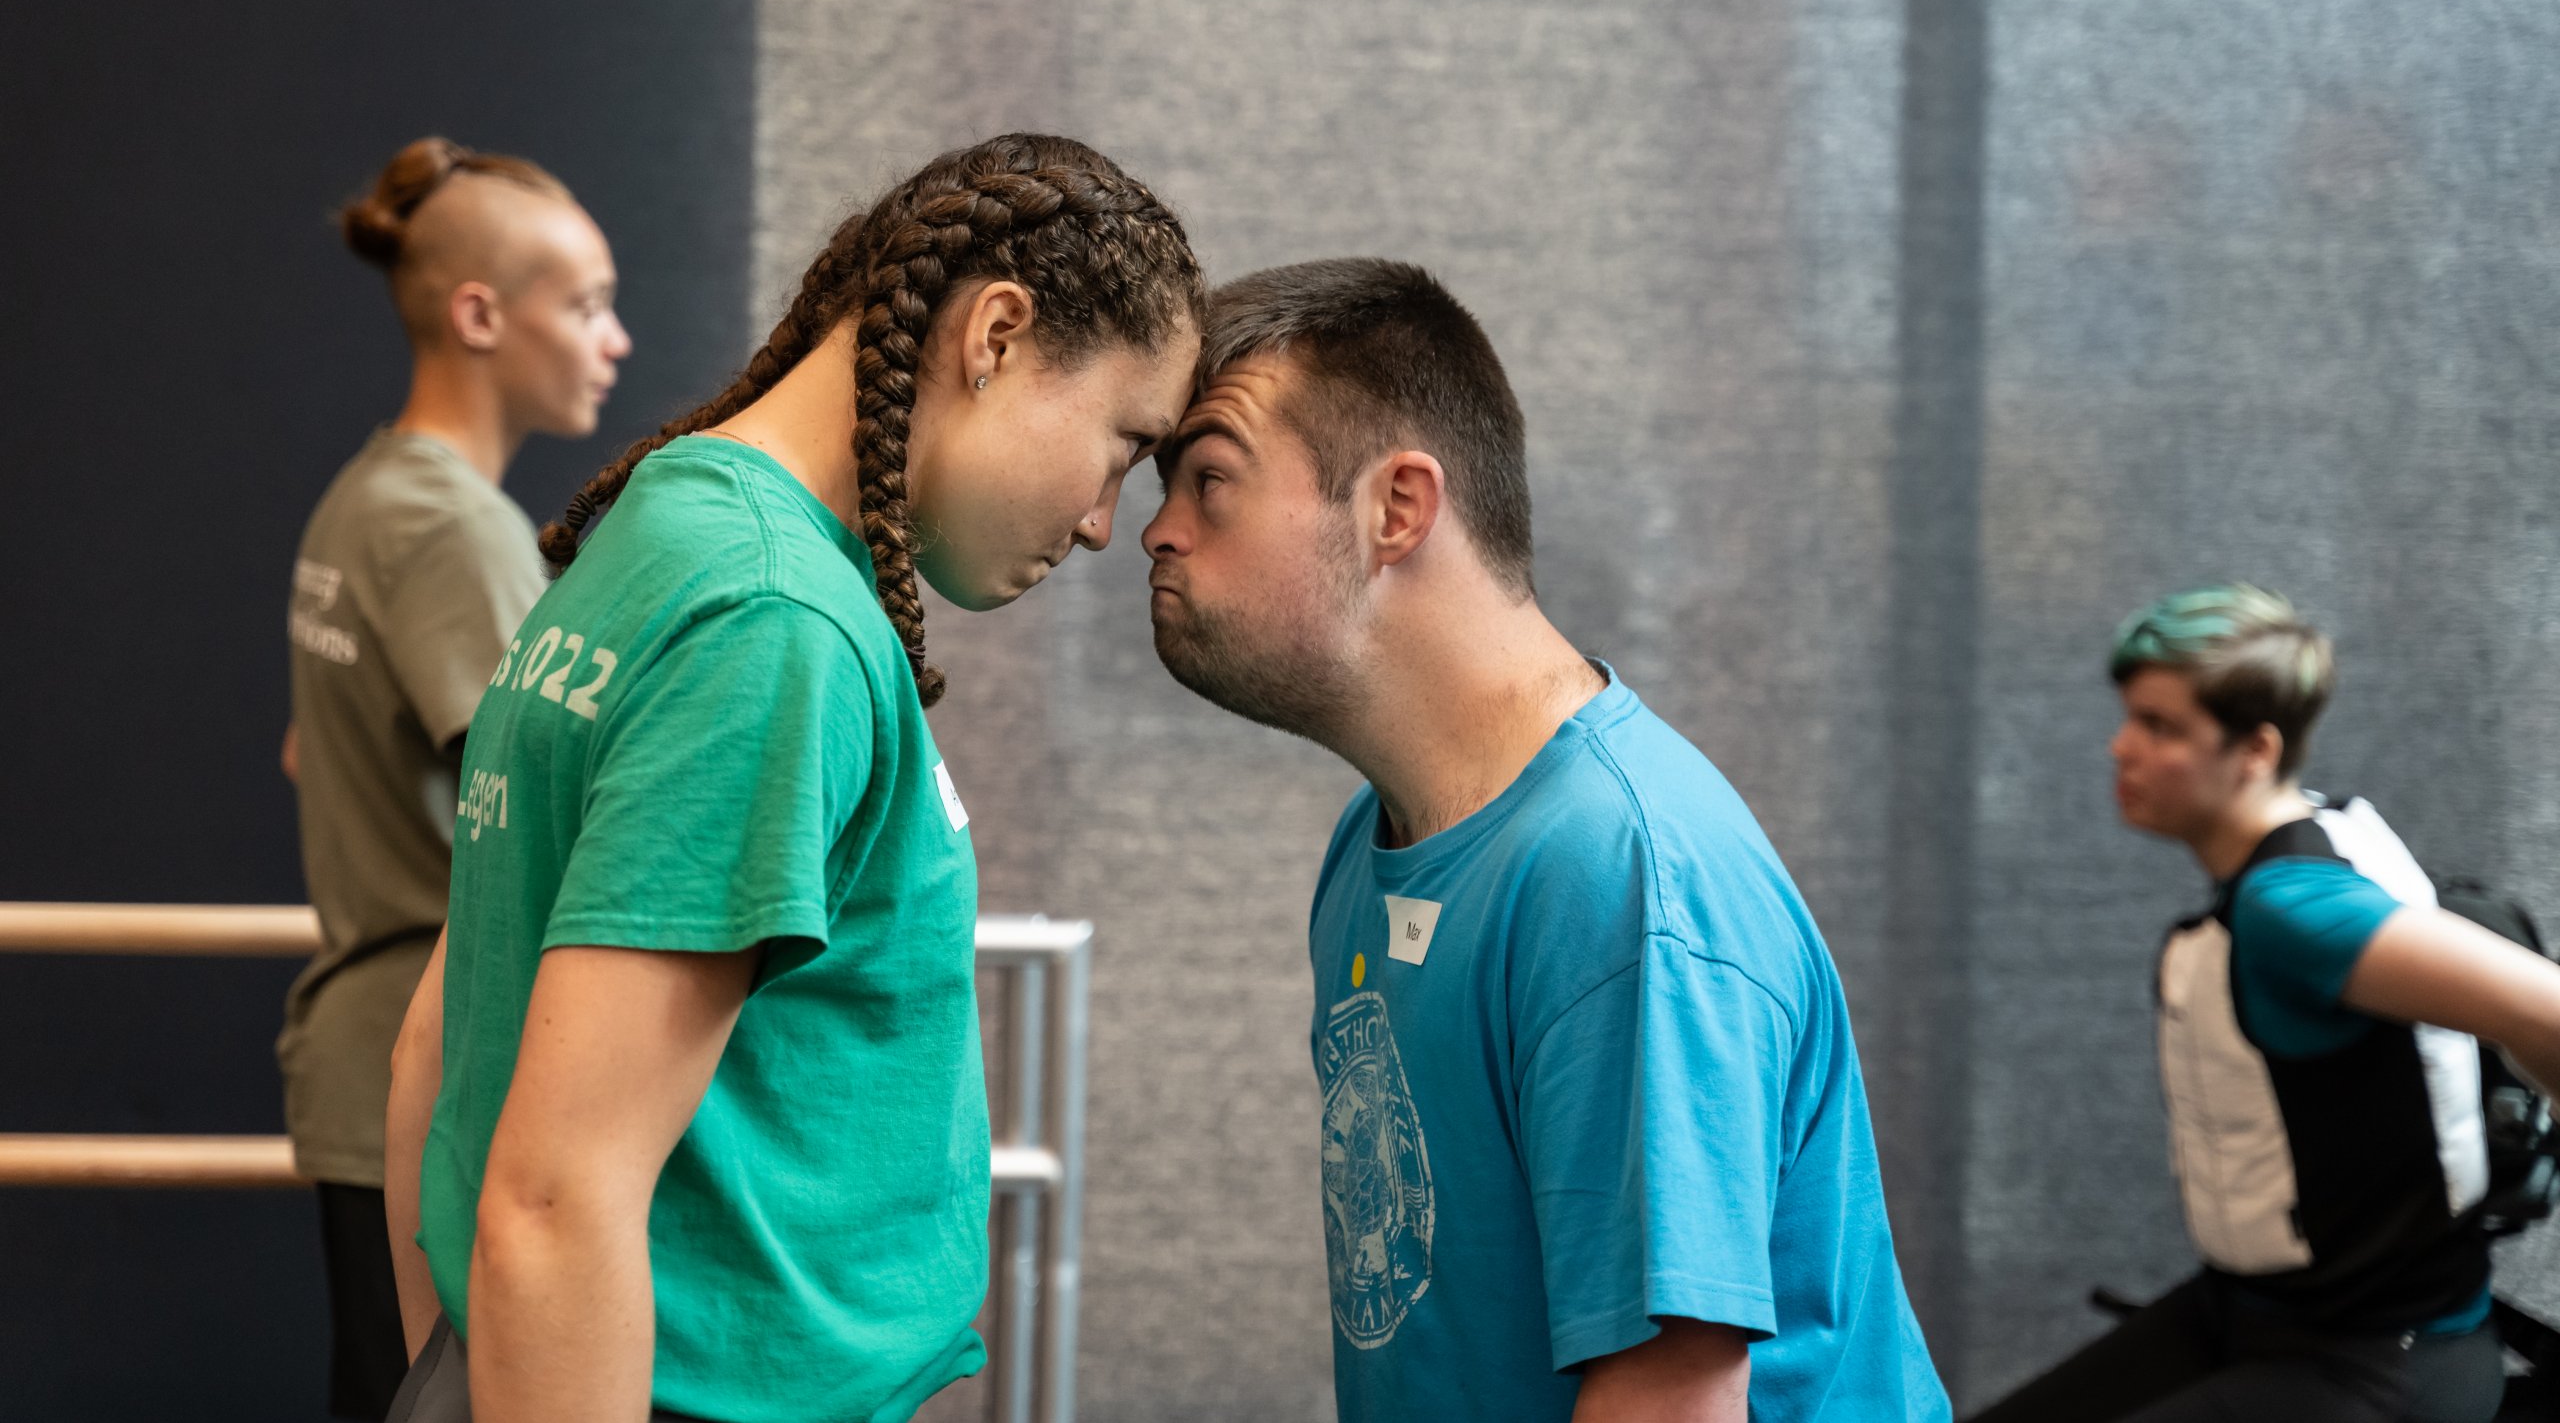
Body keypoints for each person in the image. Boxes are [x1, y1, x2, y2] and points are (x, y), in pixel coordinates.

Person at [381, 134, 1203, 1423]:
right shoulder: (774, 621)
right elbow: (552, 1199)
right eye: (1119, 442)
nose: (1106, 519)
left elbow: (440, 1038)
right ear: (995, 334)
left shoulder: (666, 527)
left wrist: (456, 1375)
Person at [1139, 258, 1948, 1423]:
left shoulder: (1622, 877)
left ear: (1396, 509)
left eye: (1210, 479)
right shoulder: (1372, 845)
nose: (1155, 530)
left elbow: (1671, 1398)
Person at [1967, 585, 2560, 1423]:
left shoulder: (2295, 911)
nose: (2121, 746)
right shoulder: (2324, 833)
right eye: (2130, 716)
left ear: (2255, 748)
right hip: (2261, 1317)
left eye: (2160, 727)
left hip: (2376, 1367)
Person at [283, 137, 628, 1420]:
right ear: (480, 313)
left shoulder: (365, 497)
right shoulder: (447, 526)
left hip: (377, 1061)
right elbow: (545, 795)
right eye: (587, 304)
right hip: (420, 1075)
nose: (616, 341)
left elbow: (311, 745)